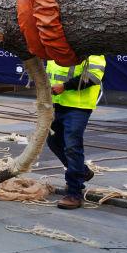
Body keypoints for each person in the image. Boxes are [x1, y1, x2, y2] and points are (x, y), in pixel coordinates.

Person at [46, 54, 106, 209]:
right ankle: (82, 171)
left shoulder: (93, 51)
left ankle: (74, 193)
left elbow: (93, 77)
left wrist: (64, 86)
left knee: (72, 146)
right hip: (57, 103)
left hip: (78, 106)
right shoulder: (57, 46)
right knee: (53, 141)